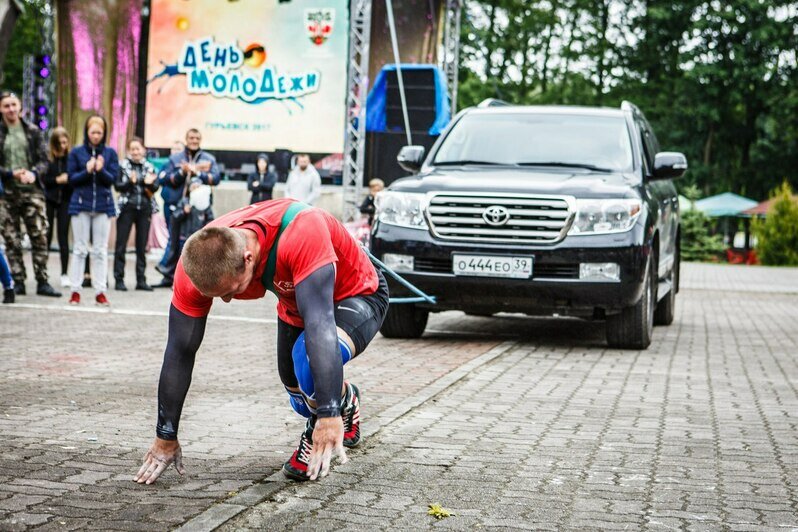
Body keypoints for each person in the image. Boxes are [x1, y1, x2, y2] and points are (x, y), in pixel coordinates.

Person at [133, 198, 389, 485]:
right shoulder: (198, 259)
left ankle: (322, 423)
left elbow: (320, 323)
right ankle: (346, 397)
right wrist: (165, 436)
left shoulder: (302, 230)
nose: (227, 300)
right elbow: (180, 349)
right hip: (297, 299)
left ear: (248, 259)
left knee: (308, 362)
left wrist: (328, 415)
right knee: (298, 396)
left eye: (231, 290)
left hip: (358, 293)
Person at [0, 91, 61, 297]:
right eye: (6, 105)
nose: (10, 109)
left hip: (32, 192)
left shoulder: (33, 131)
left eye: (13, 104)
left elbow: (45, 160)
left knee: (39, 236)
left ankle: (43, 280)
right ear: (1, 109)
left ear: (20, 107)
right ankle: (18, 280)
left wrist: (34, 173)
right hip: (7, 193)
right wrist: (10, 174)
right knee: (11, 238)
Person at [154, 129, 219, 288]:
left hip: (199, 209)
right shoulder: (175, 158)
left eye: (197, 137)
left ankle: (192, 279)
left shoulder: (208, 159)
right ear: (186, 139)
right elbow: (163, 179)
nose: (194, 140)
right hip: (178, 207)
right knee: (175, 241)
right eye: (191, 137)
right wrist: (181, 172)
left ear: (200, 139)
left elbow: (216, 179)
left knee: (197, 244)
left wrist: (199, 173)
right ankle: (169, 277)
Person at [66, 114, 119, 306]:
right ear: (87, 133)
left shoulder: (110, 153)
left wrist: (101, 169)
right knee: (80, 249)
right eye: (92, 132)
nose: (96, 135)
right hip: (80, 205)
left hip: (103, 206)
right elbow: (71, 179)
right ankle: (75, 291)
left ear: (104, 133)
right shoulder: (77, 152)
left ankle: (100, 291)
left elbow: (113, 179)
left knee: (100, 250)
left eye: (99, 132)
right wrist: (87, 170)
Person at [113, 137, 159, 291]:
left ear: (143, 150)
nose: (135, 152)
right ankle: (119, 279)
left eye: (138, 148)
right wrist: (130, 182)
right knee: (121, 246)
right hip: (127, 208)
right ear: (128, 151)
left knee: (141, 247)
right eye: (132, 149)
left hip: (144, 209)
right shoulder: (122, 166)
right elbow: (118, 186)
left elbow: (155, 188)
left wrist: (150, 183)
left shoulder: (149, 167)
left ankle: (141, 280)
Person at [42, 127, 73, 288]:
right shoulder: (48, 160)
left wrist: (68, 180)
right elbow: (43, 180)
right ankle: (43, 272)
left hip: (66, 201)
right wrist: (57, 180)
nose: (63, 145)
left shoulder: (71, 159)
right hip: (50, 200)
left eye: (65, 141)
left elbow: (75, 178)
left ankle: (64, 273)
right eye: (60, 142)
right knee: (45, 236)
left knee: (63, 237)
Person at [157, 140, 186, 271]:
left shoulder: (186, 166)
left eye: (179, 149)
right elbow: (161, 179)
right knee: (171, 235)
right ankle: (166, 267)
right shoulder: (167, 164)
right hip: (169, 205)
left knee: (180, 238)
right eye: (173, 149)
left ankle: (167, 266)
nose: (176, 151)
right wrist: (172, 177)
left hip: (183, 207)